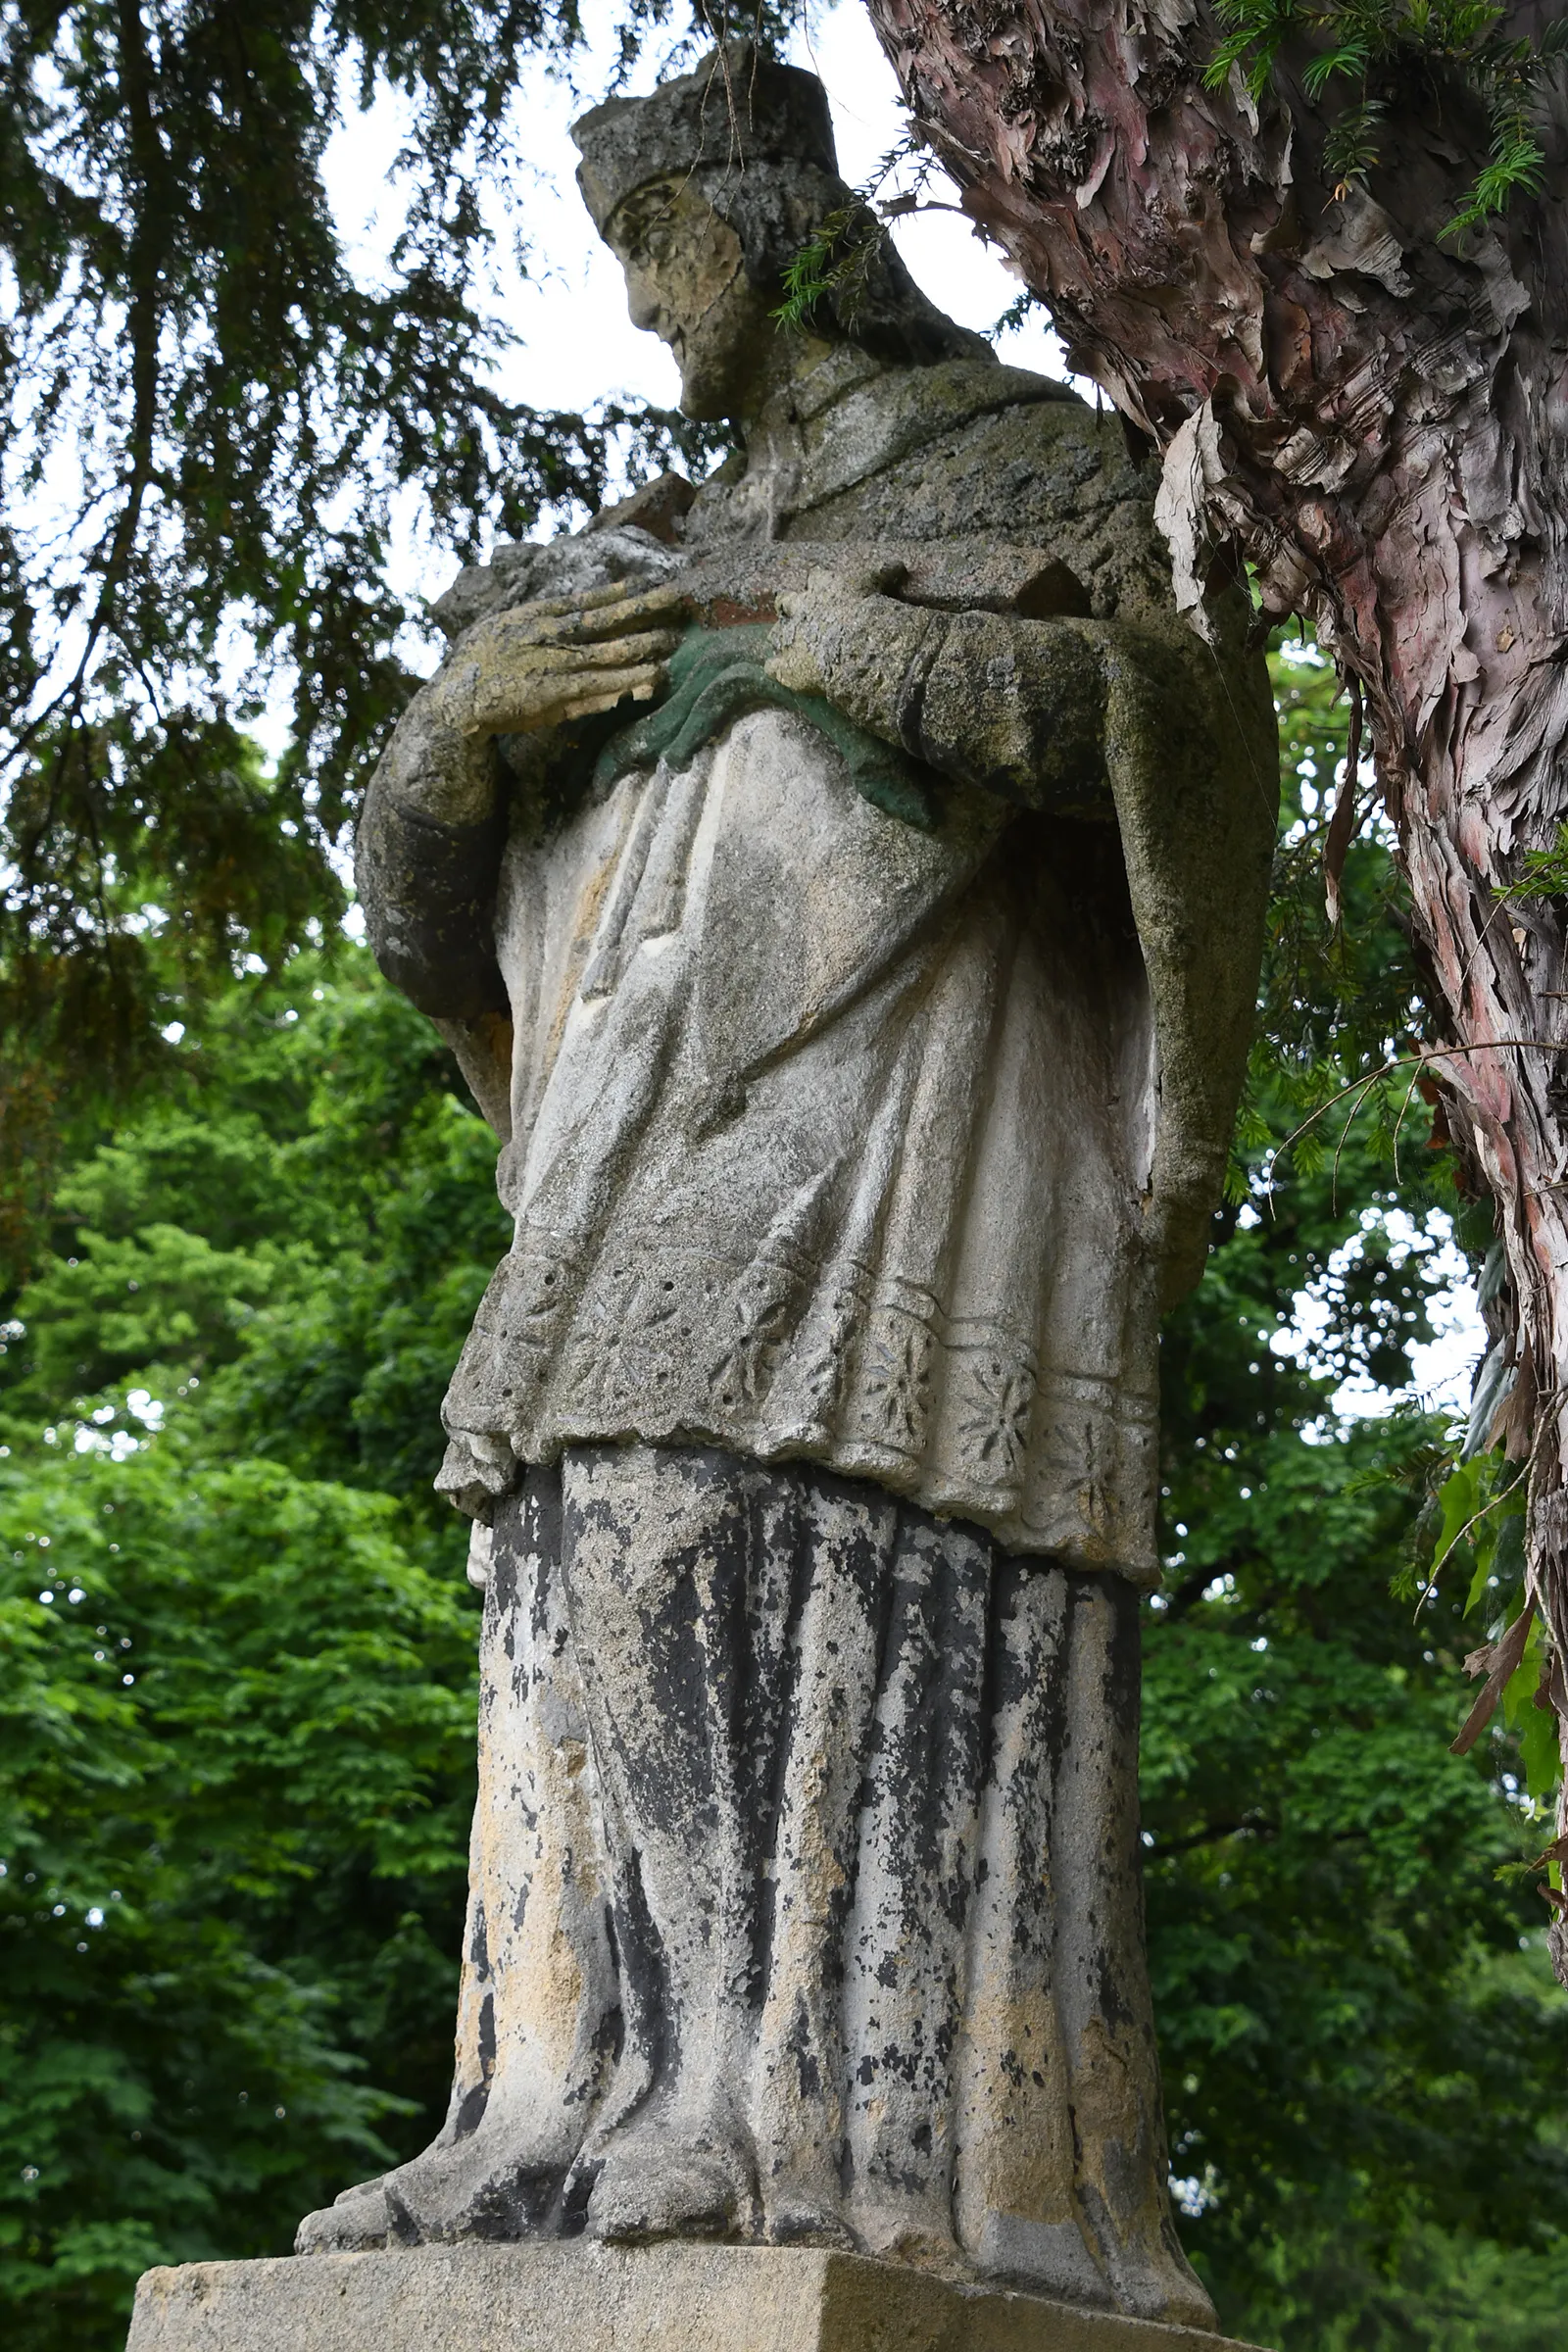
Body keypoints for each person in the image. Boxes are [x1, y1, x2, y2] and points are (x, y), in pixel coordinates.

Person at [297, 45, 1276, 2330]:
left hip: (911, 1132)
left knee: (790, 1546)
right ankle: (554, 2099)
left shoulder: (1036, 466)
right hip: (629, 1120)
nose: (645, 313)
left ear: (749, 232)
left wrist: (883, 657)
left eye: (653, 253)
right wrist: (452, 743)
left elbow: (1175, 741)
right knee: (575, 1542)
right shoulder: (640, 548)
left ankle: (793, 2107)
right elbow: (421, 922)